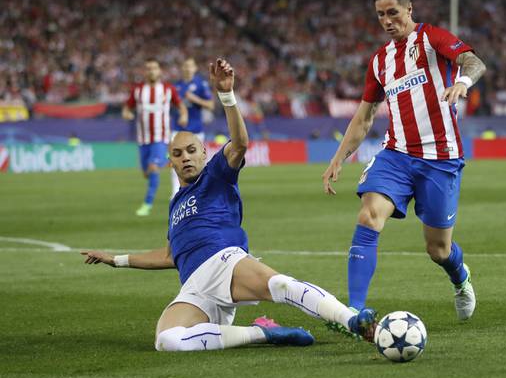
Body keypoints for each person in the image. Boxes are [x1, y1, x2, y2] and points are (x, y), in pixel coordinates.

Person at [82, 58, 377, 352]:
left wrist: (226, 95)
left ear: (202, 153)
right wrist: (117, 260)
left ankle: (351, 320)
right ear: (170, 162)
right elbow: (172, 255)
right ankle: (262, 334)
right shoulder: (175, 205)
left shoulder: (216, 174)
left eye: (191, 151)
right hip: (195, 287)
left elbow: (239, 143)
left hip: (223, 262)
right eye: (177, 153)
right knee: (167, 341)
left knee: (280, 286)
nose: (185, 157)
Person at [322, 0, 486, 327]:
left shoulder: (432, 39)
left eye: (393, 13)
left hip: (440, 159)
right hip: (396, 154)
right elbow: (364, 116)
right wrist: (339, 157)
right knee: (368, 216)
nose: (386, 21)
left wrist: (463, 83)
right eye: (380, 15)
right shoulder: (380, 61)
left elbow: (473, 62)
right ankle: (354, 313)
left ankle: (460, 277)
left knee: (438, 250)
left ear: (409, 10)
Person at [122, 58, 188, 216]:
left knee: (153, 167)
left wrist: (183, 115)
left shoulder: (167, 89)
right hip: (143, 139)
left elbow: (180, 105)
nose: (151, 71)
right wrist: (127, 113)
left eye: (154, 68)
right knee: (146, 172)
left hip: (161, 138)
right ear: (144, 72)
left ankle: (147, 204)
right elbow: (127, 107)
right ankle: (161, 162)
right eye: (148, 68)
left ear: (159, 71)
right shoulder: (137, 91)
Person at [171, 58, 215, 198]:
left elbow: (211, 105)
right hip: (177, 130)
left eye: (190, 66)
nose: (187, 68)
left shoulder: (201, 84)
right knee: (175, 161)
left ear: (195, 68)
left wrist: (194, 99)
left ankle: (200, 190)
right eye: (185, 66)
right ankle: (176, 191)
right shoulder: (176, 86)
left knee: (198, 162)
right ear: (182, 68)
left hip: (196, 130)